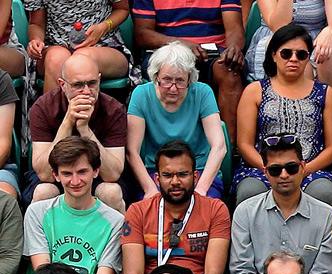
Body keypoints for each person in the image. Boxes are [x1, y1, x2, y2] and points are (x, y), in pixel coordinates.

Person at [118, 141, 232, 274]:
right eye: (168, 175)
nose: (175, 182)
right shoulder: (138, 211)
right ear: (157, 178)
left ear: (195, 177)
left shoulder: (216, 210)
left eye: (183, 174)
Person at [227, 134, 332, 274]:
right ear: (265, 172)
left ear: (303, 167)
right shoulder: (245, 212)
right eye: (275, 170)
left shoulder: (327, 215)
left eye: (291, 167)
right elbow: (240, 273)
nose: (284, 175)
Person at [21, 137, 123, 274]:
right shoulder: (38, 213)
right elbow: (42, 269)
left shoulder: (114, 221)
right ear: (56, 175)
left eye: (82, 172)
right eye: (67, 173)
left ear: (96, 171)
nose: (75, 181)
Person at [233, 24, 332, 207]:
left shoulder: (326, 92)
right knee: (249, 192)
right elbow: (244, 144)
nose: (293, 59)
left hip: (310, 170)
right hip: (262, 169)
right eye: (286, 53)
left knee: (323, 193)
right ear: (274, 55)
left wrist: (302, 170)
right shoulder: (255, 91)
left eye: (301, 55)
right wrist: (271, 169)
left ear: (309, 58)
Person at [130, 0, 245, 143]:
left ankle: (229, 147)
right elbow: (142, 34)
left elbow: (235, 29)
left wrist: (233, 48)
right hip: (167, 50)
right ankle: (166, 144)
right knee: (170, 72)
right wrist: (180, 43)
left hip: (211, 52)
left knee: (229, 70)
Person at [126, 42, 227, 200]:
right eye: (166, 80)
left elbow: (219, 146)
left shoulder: (202, 93)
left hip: (198, 171)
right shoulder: (141, 94)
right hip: (157, 173)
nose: (173, 88)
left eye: (180, 81)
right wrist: (150, 189)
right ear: (156, 77)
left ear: (189, 79)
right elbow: (132, 151)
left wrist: (200, 189)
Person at [27, 52, 126, 211]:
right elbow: (45, 174)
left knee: (111, 192)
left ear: (99, 80)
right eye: (78, 85)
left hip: (96, 175)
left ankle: (116, 237)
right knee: (44, 192)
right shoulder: (43, 107)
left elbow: (112, 174)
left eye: (92, 83)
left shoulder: (114, 110)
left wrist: (84, 129)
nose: (86, 91)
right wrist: (68, 122)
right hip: (57, 176)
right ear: (62, 84)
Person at [241, 0, 332, 88]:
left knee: (318, 54)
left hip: (313, 37)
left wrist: (329, 30)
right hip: (276, 37)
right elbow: (279, 26)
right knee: (293, 54)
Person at [25, 0, 130, 93]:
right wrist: (36, 40)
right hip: (56, 47)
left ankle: (85, 113)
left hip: (104, 46)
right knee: (56, 58)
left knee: (81, 59)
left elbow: (122, 9)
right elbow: (36, 24)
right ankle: (54, 114)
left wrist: (105, 26)